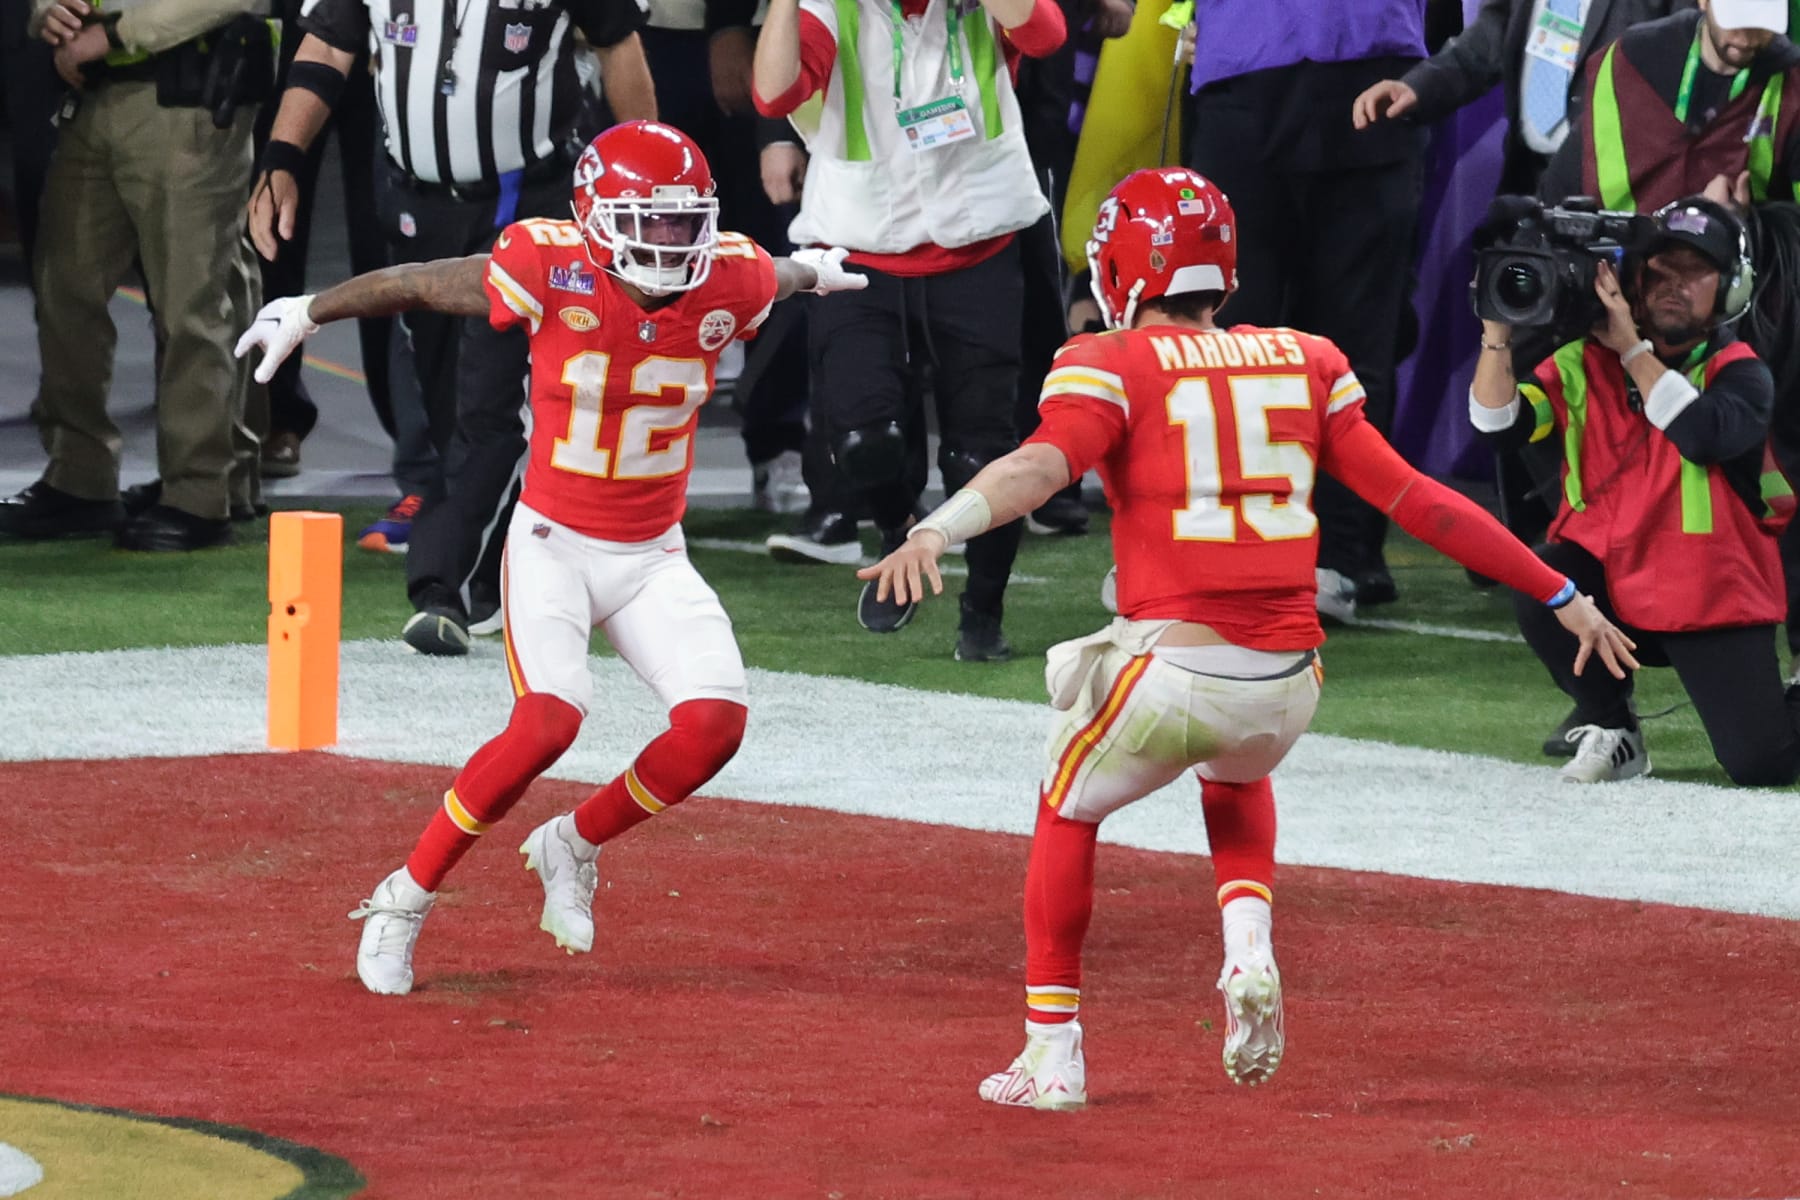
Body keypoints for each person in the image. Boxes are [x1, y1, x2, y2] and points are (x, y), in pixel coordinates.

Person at [859, 167, 1635, 1108]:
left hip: (1178, 668)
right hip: (1288, 684)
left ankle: (1051, 1050)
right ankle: (1247, 950)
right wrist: (1560, 591)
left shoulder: (1109, 360)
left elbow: (1040, 467)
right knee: (1235, 768)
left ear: (1120, 266)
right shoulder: (1304, 357)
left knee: (1066, 806)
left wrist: (942, 525)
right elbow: (1417, 501)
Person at [236, 121, 867, 995]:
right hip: (555, 543)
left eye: (686, 222)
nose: (671, 242)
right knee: (548, 722)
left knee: (715, 725)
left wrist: (816, 269)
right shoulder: (545, 263)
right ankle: (403, 897)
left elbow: (775, 272)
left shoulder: (732, 273)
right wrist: (312, 309)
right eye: (651, 221)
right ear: (596, 217)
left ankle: (573, 841)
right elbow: (422, 282)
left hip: (653, 552)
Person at [246, 0, 657, 654]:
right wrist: (282, 154)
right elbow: (326, 48)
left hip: (526, 200)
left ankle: (442, 586)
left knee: (487, 403)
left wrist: (645, 174)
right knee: (447, 404)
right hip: (415, 201)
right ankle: (501, 562)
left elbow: (618, 43)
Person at [752, 0, 1067, 662]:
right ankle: (897, 527)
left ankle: (982, 615)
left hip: (979, 241)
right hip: (858, 247)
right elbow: (774, 90)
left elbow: (1044, 33)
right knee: (866, 441)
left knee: (981, 456)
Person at [1472, 195, 1800, 785]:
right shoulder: (1578, 364)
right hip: (1616, 590)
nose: (1674, 286)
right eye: (1661, 272)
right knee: (1539, 574)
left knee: (1761, 765)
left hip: (1712, 598)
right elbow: (1497, 426)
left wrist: (1631, 350)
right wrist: (1497, 328)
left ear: (1729, 289)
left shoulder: (1741, 371)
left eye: (1696, 273)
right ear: (1634, 279)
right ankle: (1612, 725)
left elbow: (1701, 434)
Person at [1182, 0, 1428, 622]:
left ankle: (1345, 554)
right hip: (1244, 78)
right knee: (1238, 338)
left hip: (1372, 70)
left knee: (1357, 340)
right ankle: (1240, 542)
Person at [1, 0, 272, 551]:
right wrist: (46, 12)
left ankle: (200, 491)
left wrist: (114, 34)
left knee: (191, 301)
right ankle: (80, 477)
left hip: (190, 96)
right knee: (64, 288)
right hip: (94, 98)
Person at [1352, 0, 1692, 199]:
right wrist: (1418, 87)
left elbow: (1689, 58)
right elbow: (1491, 36)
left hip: (1620, 190)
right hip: (1528, 182)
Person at [1539, 0, 1800, 208]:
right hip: (1615, 261)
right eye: (1736, 22)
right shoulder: (1631, 60)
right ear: (1704, 2)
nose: (1746, 39)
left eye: (1761, 25)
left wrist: (1749, 223)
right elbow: (1562, 184)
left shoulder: (1791, 84)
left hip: (1733, 267)